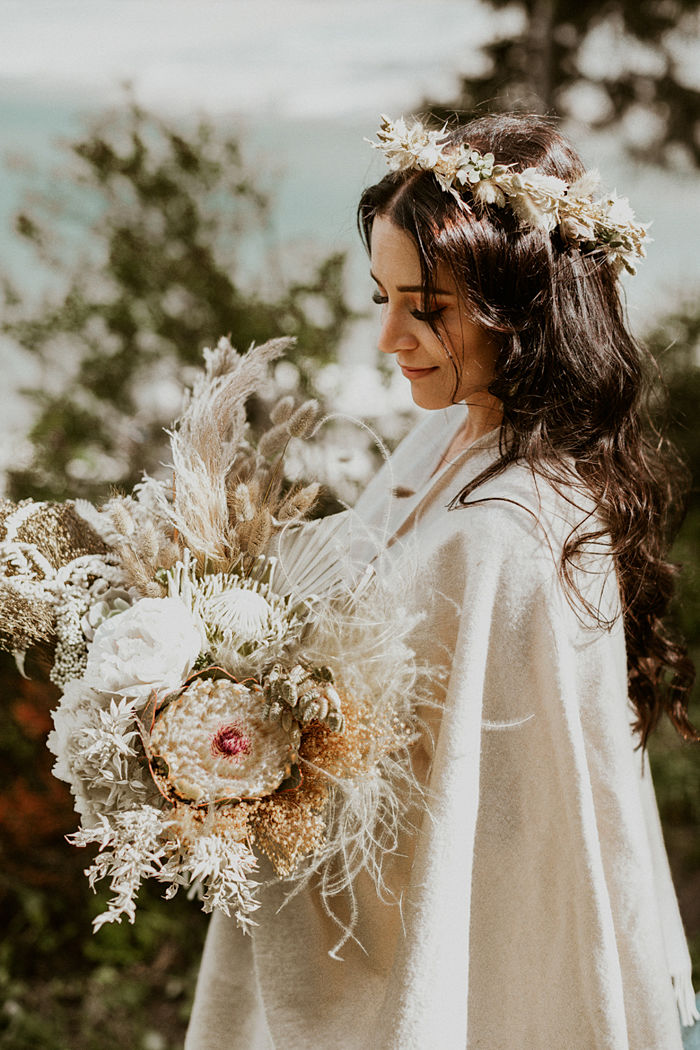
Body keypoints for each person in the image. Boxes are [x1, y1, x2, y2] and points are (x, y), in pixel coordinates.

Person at [185, 113, 699, 1049]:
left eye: (426, 308)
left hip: (477, 942)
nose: (390, 336)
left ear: (522, 306)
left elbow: (495, 800)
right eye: (383, 296)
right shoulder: (451, 433)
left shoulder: (514, 527)